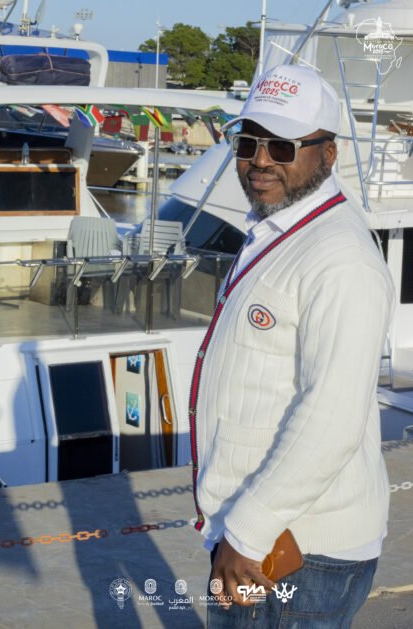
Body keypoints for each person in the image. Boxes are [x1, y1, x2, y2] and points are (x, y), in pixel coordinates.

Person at [188, 64, 395, 627]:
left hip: (295, 549)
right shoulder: (278, 228)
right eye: (248, 142)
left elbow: (332, 417)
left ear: (328, 154)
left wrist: (247, 533)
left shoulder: (341, 259)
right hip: (267, 534)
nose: (260, 160)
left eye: (282, 146)